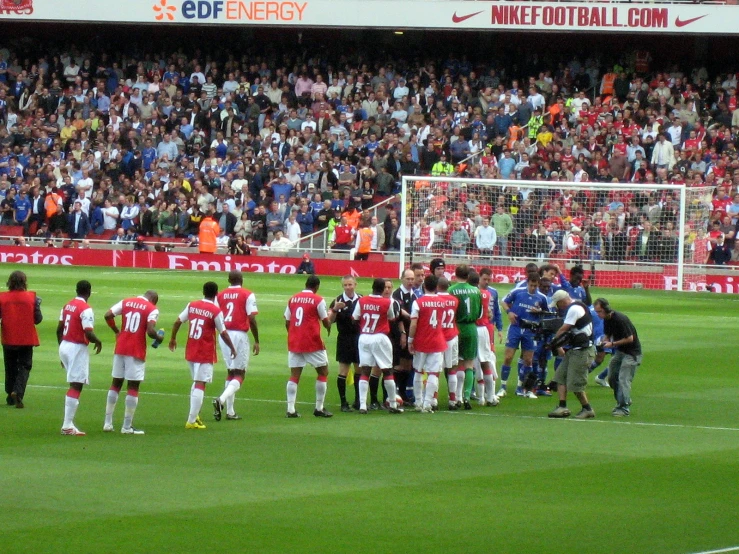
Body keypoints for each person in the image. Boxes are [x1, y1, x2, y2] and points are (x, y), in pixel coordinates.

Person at [169, 281, 237, 430]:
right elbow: (223, 332)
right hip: (204, 351)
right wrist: (232, 347)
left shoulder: (192, 305)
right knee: (200, 384)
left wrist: (173, 338)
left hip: (191, 349)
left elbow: (178, 321)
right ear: (216, 294)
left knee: (196, 382)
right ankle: (191, 420)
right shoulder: (215, 310)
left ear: (203, 292)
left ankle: (195, 416)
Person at [103, 290, 162, 435]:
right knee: (133, 386)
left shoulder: (126, 301)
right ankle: (126, 426)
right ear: (153, 300)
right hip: (136, 350)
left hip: (121, 346)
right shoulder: (152, 309)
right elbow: (150, 331)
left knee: (116, 383)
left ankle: (107, 423)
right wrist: (158, 338)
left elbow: (108, 315)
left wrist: (116, 330)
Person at [57, 280, 103, 436]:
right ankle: (67, 425)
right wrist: (98, 341)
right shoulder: (86, 309)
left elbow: (59, 329)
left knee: (74, 383)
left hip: (64, 345)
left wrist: (61, 350)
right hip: (76, 347)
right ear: (89, 292)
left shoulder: (66, 305)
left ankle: (68, 424)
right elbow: (88, 331)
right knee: (76, 385)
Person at [213, 271, 260, 421]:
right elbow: (251, 318)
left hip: (224, 334)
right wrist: (257, 340)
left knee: (231, 371)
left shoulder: (220, 295)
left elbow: (214, 315)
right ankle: (221, 400)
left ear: (228, 280)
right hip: (239, 334)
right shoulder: (247, 294)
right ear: (242, 280)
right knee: (240, 374)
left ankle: (230, 411)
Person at [284, 275, 333, 418]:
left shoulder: (293, 298)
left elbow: (287, 321)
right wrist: (331, 316)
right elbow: (325, 321)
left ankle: (291, 409)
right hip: (312, 342)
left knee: (294, 375)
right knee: (323, 372)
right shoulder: (318, 300)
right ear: (317, 287)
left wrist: (294, 333)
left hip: (295, 341)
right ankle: (319, 408)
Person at [352, 278, 401, 414]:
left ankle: (362, 405)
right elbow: (392, 318)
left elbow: (354, 318)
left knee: (365, 370)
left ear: (372, 287)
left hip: (364, 337)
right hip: (380, 336)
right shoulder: (387, 302)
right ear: (382, 289)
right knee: (387, 370)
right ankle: (393, 404)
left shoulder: (361, 300)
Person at [548, 290, 597, 419]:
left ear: (562, 301)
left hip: (582, 351)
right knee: (560, 377)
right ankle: (562, 406)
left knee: (575, 384)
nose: (558, 307)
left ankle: (587, 408)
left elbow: (564, 328)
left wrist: (553, 342)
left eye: (558, 304)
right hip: (575, 349)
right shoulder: (577, 305)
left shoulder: (574, 309)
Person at [499, 273, 548, 399]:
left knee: (528, 360)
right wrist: (509, 312)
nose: (533, 288)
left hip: (530, 330)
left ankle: (522, 388)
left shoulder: (542, 297)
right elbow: (504, 301)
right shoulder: (518, 292)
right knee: (508, 357)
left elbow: (546, 314)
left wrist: (539, 312)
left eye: (535, 286)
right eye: (531, 285)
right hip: (515, 328)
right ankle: (502, 387)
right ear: (527, 283)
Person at [0, 271, 42, 408]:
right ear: (24, 282)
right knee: (24, 366)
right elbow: (38, 319)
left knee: (10, 366)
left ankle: (10, 395)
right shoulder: (32, 298)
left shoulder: (2, 298)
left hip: (9, 337)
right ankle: (17, 391)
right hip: (26, 338)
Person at [593, 298, 642, 417]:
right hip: (621, 352)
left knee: (623, 379)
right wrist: (603, 341)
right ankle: (623, 400)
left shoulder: (620, 319)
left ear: (606, 309)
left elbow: (630, 338)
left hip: (632, 353)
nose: (597, 314)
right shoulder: (606, 320)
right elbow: (608, 334)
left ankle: (623, 407)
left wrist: (612, 344)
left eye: (599, 311)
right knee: (612, 377)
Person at [409, 275, 447, 413]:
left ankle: (418, 402)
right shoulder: (443, 302)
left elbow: (413, 324)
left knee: (418, 371)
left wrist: (410, 340)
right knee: (433, 373)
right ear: (436, 287)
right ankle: (427, 403)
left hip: (421, 341)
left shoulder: (418, 302)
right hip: (437, 341)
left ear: (424, 286)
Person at [448, 265, 483, 410]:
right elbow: (480, 313)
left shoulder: (451, 290)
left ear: (455, 274)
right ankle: (467, 396)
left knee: (455, 364)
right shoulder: (476, 291)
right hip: (471, 328)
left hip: (456, 328)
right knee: (469, 364)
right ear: (468, 276)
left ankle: (457, 397)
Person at [329, 275, 362, 412]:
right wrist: (335, 309)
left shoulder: (361, 299)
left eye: (350, 284)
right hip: (344, 338)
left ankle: (358, 400)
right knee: (343, 371)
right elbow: (329, 321)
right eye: (345, 285)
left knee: (359, 370)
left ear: (355, 284)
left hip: (359, 339)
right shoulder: (337, 300)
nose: (348, 287)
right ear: (342, 286)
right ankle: (343, 402)